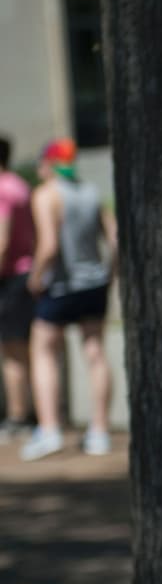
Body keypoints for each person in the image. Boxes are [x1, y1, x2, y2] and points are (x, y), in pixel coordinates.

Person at [21, 139, 116, 460]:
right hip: (94, 284)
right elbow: (114, 239)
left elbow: (48, 245)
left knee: (43, 351)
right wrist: (109, 275)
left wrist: (35, 279)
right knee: (95, 352)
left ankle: (49, 430)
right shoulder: (90, 192)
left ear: (48, 164)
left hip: (61, 286)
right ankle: (100, 432)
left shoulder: (46, 195)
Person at [0, 134, 36, 442]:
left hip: (9, 277)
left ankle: (17, 417)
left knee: (11, 351)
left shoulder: (2, 189)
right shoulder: (20, 186)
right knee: (24, 349)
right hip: (26, 273)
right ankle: (31, 414)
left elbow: (2, 240)